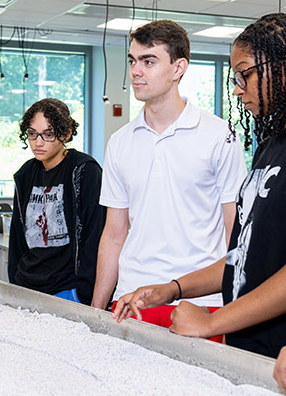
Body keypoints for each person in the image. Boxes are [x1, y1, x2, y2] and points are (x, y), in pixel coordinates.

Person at [114, 13, 286, 360]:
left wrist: (214, 322)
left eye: (245, 74)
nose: (237, 88)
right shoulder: (273, 144)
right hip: (251, 346)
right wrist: (173, 289)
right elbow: (243, 257)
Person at [91, 20, 247, 339]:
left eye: (149, 61)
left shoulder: (221, 136)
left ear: (178, 68)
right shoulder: (119, 141)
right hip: (132, 300)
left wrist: (238, 305)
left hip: (203, 303)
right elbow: (114, 234)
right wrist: (95, 312)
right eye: (133, 61)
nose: (136, 71)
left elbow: (236, 232)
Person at [8, 98, 105, 304]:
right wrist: (15, 283)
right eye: (32, 133)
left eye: (48, 134)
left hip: (68, 289)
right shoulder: (25, 174)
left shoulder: (84, 171)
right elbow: (17, 236)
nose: (38, 142)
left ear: (65, 134)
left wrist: (84, 293)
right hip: (27, 286)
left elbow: (94, 236)